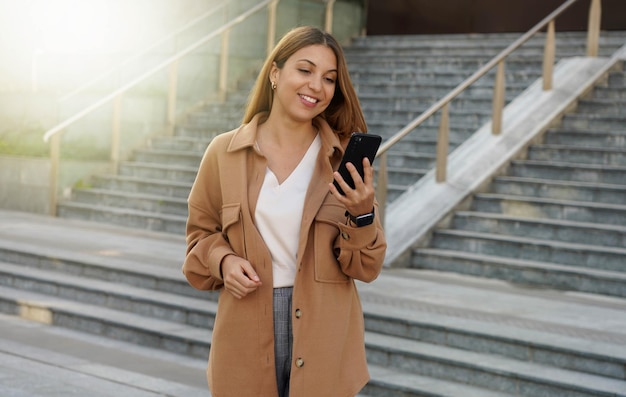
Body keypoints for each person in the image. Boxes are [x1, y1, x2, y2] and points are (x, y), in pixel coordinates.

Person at [182, 25, 386, 397]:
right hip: (245, 332)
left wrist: (362, 214)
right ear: (275, 74)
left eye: (329, 79)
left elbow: (366, 267)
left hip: (325, 334)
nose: (316, 86)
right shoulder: (223, 153)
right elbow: (199, 237)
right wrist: (224, 261)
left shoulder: (345, 160)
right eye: (304, 70)